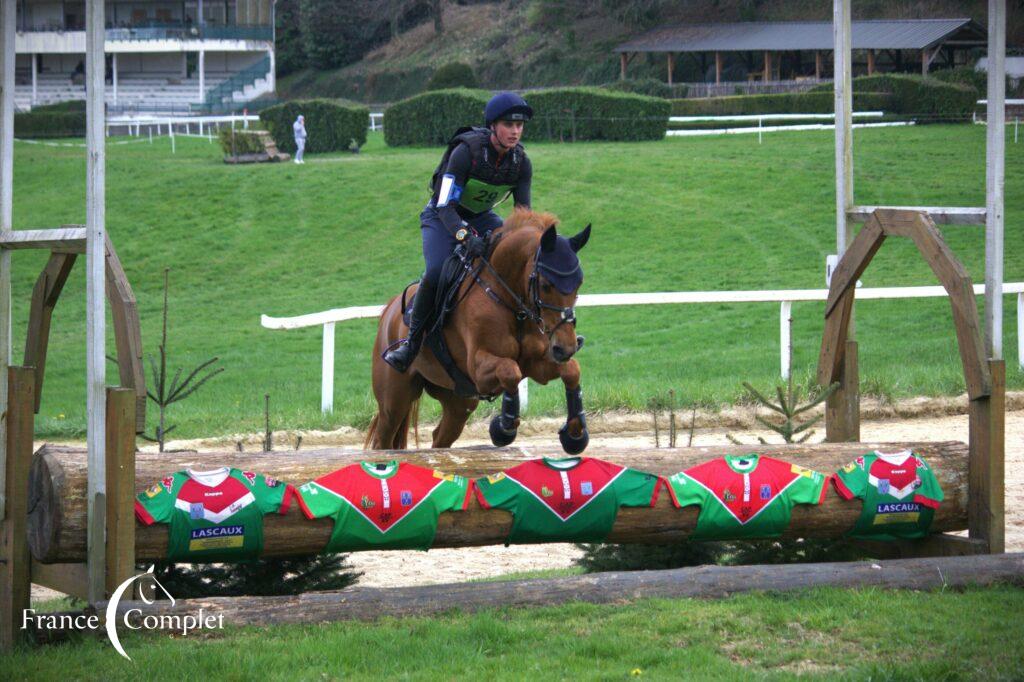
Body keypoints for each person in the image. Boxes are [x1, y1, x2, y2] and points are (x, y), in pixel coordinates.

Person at [382, 91, 534, 373]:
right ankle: (411, 344)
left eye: (519, 126)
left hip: (482, 217)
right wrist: (465, 236)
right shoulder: (467, 153)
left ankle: (537, 332)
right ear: (493, 126)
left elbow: (522, 214)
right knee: (439, 270)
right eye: (508, 125)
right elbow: (445, 205)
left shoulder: (521, 163)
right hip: (442, 216)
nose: (515, 131)